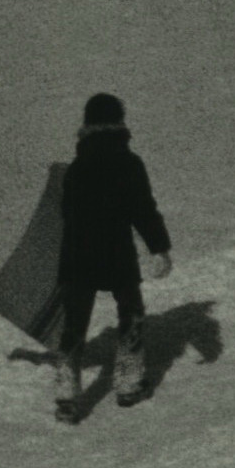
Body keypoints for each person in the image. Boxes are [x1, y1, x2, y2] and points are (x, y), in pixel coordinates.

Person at [52, 91, 173, 415]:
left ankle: (66, 394)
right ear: (119, 123)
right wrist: (159, 247)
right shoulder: (128, 163)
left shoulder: (76, 168)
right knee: (130, 313)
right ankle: (129, 384)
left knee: (74, 324)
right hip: (116, 252)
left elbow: (65, 213)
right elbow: (143, 209)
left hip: (77, 254)